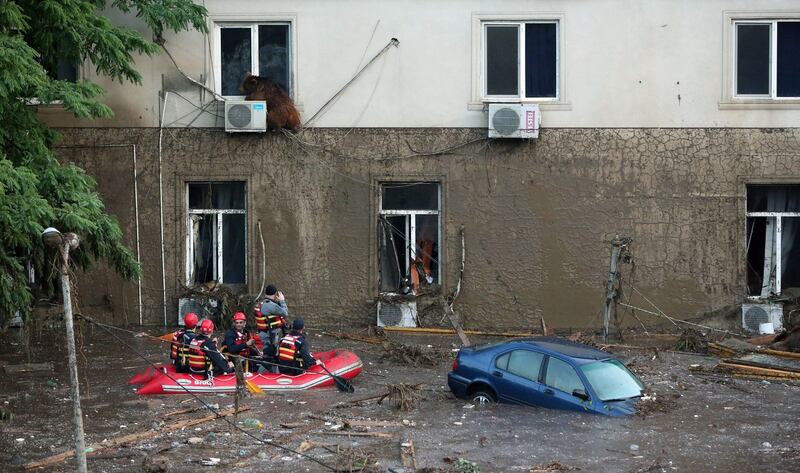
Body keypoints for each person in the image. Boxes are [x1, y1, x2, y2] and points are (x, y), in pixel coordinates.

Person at [258, 285, 288, 372]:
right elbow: (285, 312)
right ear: (275, 295)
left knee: (274, 358)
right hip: (271, 337)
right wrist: (282, 301)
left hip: (264, 334)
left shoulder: (261, 303)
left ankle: (274, 375)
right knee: (269, 360)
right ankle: (258, 374)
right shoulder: (270, 305)